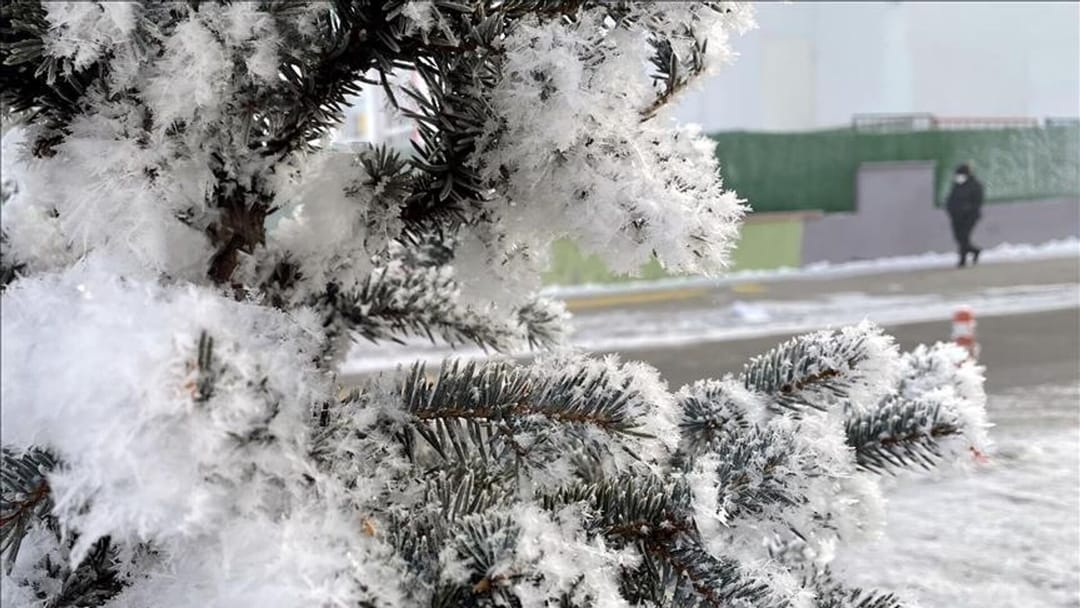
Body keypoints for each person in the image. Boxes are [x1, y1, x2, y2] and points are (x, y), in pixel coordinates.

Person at [945, 163, 983, 267]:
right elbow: (951, 198)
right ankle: (975, 251)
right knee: (958, 237)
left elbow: (977, 202)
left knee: (963, 237)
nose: (958, 177)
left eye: (960, 175)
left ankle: (962, 260)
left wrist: (968, 209)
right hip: (956, 216)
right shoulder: (957, 185)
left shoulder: (975, 185)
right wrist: (949, 208)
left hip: (969, 216)